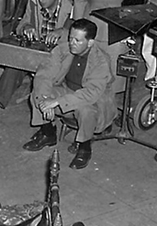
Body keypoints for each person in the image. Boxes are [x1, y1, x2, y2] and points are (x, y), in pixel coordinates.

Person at [22, 19, 117, 170]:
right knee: (37, 94)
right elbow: (44, 74)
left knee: (86, 111)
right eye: (71, 38)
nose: (72, 43)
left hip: (93, 100)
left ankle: (85, 147)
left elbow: (91, 93)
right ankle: (48, 133)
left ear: (90, 43)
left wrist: (57, 102)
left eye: (78, 40)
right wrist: (46, 99)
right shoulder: (62, 50)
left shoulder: (100, 60)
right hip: (68, 90)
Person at [0, 0, 73, 127]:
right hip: (35, 52)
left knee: (46, 79)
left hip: (56, 59)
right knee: (13, 65)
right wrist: (26, 27)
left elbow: (77, 36)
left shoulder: (70, 8)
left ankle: (46, 119)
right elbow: (20, 25)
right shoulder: (33, 3)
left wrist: (62, 31)